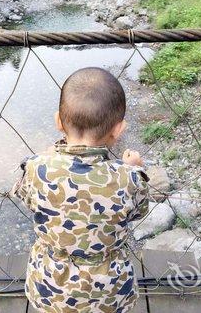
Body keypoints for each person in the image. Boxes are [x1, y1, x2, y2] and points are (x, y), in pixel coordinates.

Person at [12, 67, 150, 313]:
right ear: (118, 129)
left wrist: (47, 158)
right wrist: (131, 169)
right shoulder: (129, 178)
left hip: (50, 288)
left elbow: (26, 198)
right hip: (109, 293)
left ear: (58, 121)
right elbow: (138, 212)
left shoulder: (36, 168)